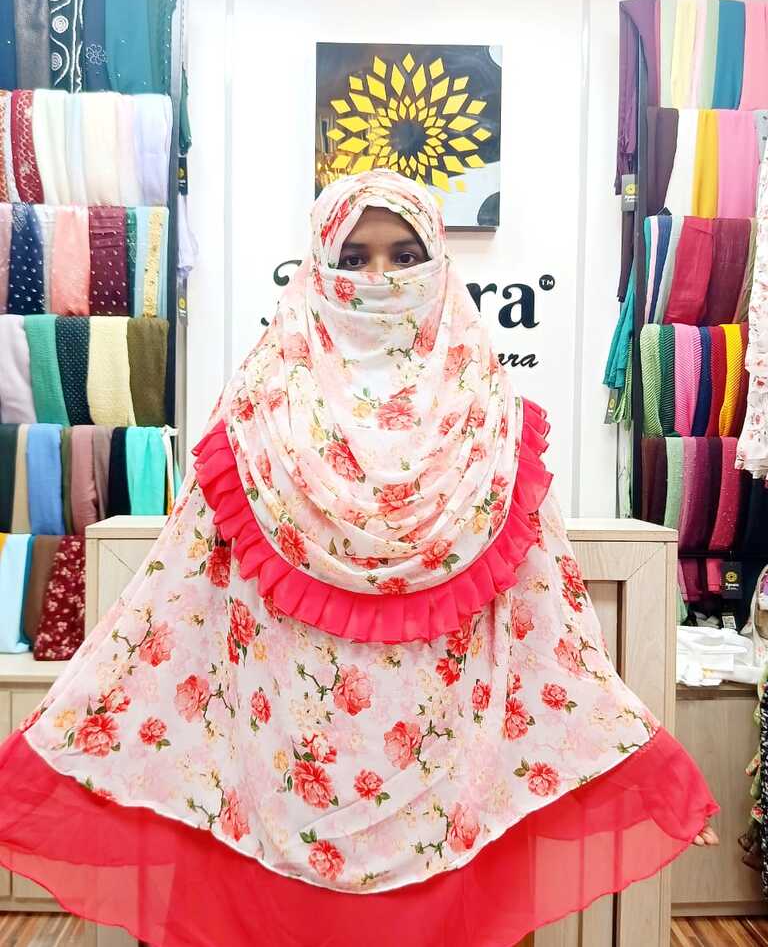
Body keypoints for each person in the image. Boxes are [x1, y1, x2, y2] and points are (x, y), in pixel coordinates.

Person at [0, 169, 718, 947]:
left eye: (404, 256)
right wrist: (67, 735)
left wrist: (638, 759)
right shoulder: (256, 416)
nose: (379, 279)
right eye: (354, 257)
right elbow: (173, 595)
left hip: (441, 766)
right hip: (285, 763)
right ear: (317, 267)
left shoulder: (492, 423)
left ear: (438, 263)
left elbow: (549, 611)